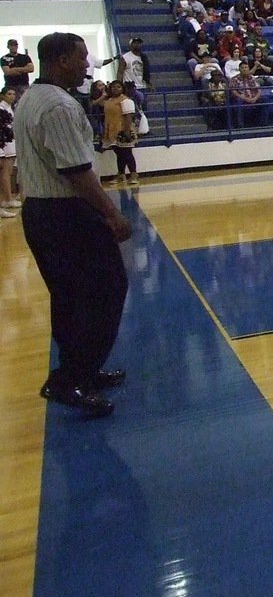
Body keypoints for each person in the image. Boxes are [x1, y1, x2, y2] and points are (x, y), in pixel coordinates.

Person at [15, 32, 132, 416]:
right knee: (107, 289)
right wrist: (111, 214)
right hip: (66, 214)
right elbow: (78, 173)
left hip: (41, 212)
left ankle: (78, 370)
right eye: (82, 58)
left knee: (69, 297)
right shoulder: (59, 106)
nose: (87, 64)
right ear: (62, 60)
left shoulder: (30, 98)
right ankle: (71, 381)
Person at [99, 81, 138, 185]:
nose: (115, 89)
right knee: (119, 154)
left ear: (122, 88)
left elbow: (128, 117)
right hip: (111, 129)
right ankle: (121, 175)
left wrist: (126, 131)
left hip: (123, 129)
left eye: (118, 87)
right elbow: (95, 103)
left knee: (127, 153)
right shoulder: (109, 100)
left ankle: (133, 174)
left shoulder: (126, 101)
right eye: (113, 87)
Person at [0, 86, 17, 217]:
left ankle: (8, 198)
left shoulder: (11, 108)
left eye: (13, 94)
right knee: (5, 172)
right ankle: (7, 199)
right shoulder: (2, 108)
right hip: (5, 143)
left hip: (10, 141)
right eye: (9, 94)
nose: (12, 96)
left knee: (9, 172)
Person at [2, 38, 35, 103]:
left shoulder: (25, 57)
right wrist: (24, 69)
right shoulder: (4, 58)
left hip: (24, 84)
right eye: (11, 45)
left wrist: (15, 69)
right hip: (11, 85)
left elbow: (31, 69)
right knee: (12, 104)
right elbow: (7, 72)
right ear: (8, 46)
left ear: (17, 46)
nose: (14, 47)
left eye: (15, 45)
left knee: (25, 103)